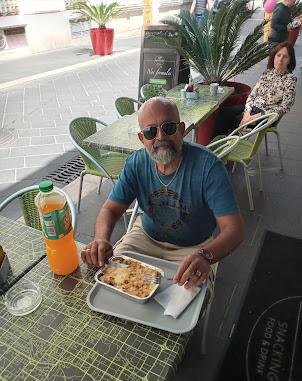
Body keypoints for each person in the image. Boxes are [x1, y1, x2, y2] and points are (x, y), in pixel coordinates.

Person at [81, 97, 245, 301]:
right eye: (150, 131)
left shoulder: (208, 167)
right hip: (145, 237)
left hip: (195, 246)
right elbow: (110, 210)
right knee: (110, 286)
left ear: (181, 129)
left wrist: (205, 256)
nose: (160, 137)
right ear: (142, 139)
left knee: (189, 304)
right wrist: (101, 239)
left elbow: (234, 229)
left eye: (168, 127)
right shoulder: (136, 164)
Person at [212, 41, 296, 137]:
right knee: (225, 112)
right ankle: (216, 148)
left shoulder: (290, 79)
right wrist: (247, 114)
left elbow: (285, 107)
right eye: (278, 55)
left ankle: (223, 147)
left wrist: (254, 117)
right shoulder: (267, 73)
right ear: (274, 57)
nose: (280, 59)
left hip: (267, 116)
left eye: (285, 57)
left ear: (290, 61)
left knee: (234, 120)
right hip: (253, 109)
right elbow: (252, 95)